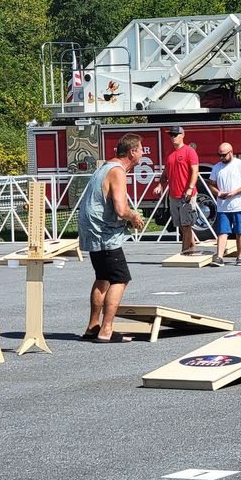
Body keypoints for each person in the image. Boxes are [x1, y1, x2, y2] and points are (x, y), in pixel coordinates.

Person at [79, 133, 146, 343]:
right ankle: (106, 330)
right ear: (132, 152)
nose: (143, 153)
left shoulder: (106, 167)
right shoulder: (117, 171)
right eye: (141, 149)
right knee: (120, 278)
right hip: (104, 234)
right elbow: (120, 208)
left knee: (103, 278)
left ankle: (92, 326)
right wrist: (133, 216)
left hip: (92, 232)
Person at [153, 126, 200, 255]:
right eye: (171, 135)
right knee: (181, 226)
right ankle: (192, 251)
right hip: (174, 195)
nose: (173, 137)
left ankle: (184, 252)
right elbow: (166, 173)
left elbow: (195, 171)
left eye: (175, 135)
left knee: (186, 225)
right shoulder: (171, 155)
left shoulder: (189, 151)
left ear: (182, 135)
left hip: (186, 195)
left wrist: (190, 188)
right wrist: (160, 185)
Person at [210, 143, 241, 267]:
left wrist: (236, 191)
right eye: (219, 155)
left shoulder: (240, 165)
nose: (221, 157)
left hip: (238, 204)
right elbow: (211, 184)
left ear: (231, 152)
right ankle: (219, 257)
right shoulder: (217, 167)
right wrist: (218, 192)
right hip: (223, 205)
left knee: (239, 231)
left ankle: (240, 257)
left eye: (223, 155)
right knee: (222, 231)